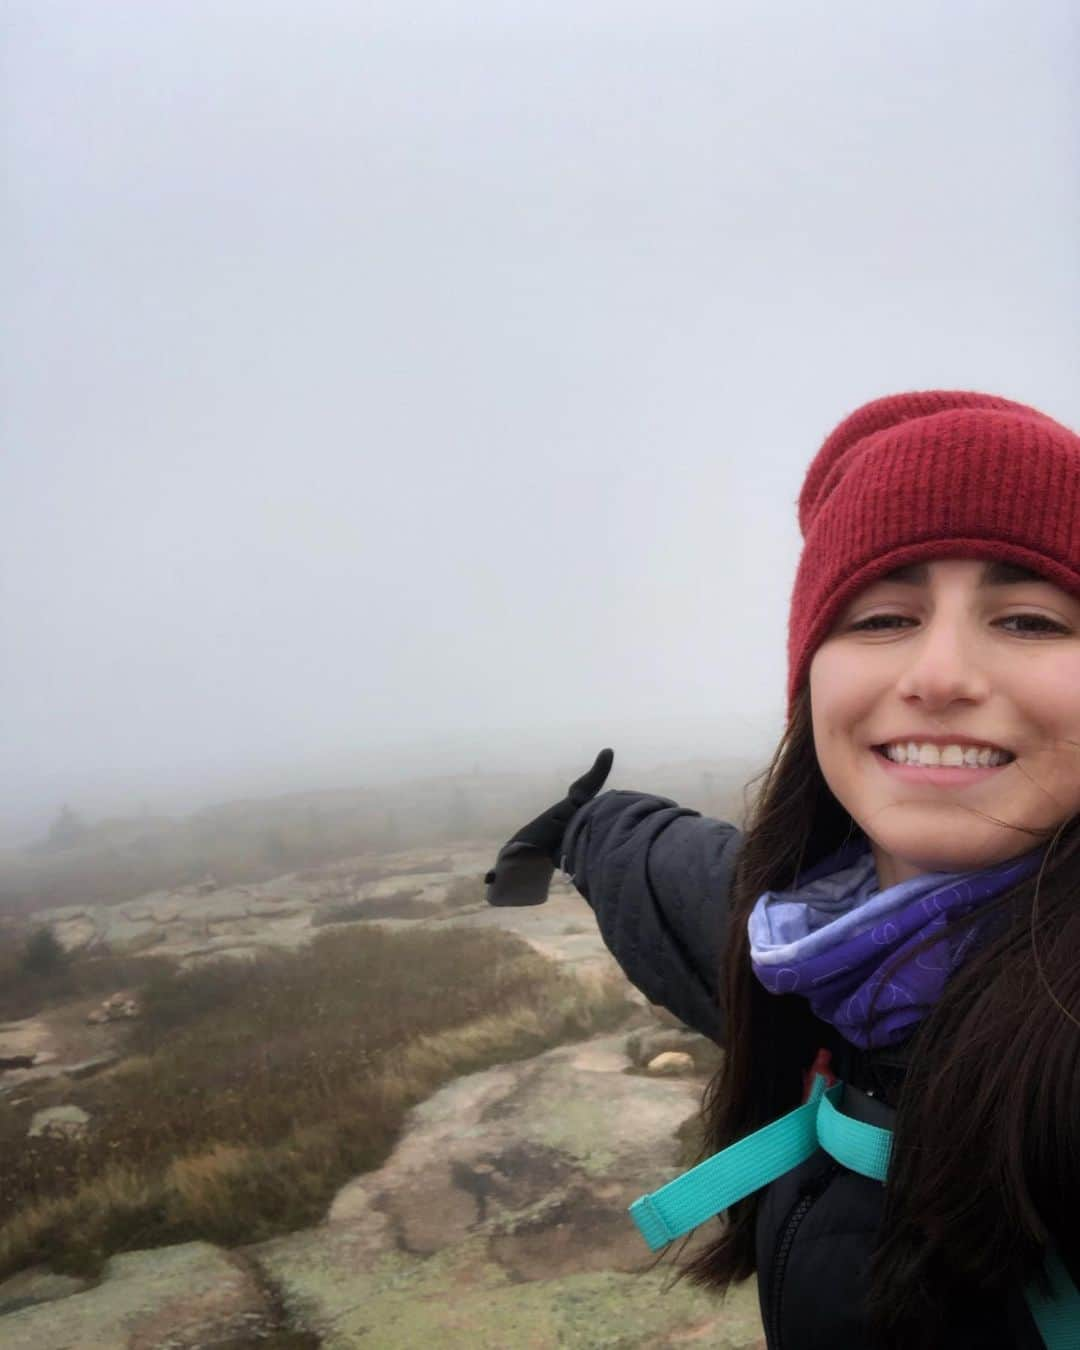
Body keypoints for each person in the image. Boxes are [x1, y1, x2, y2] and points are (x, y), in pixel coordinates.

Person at [484, 390, 1080, 1349]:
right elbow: (666, 870)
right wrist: (580, 825)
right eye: (884, 616)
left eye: (1032, 620)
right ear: (812, 681)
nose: (939, 674)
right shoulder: (806, 939)